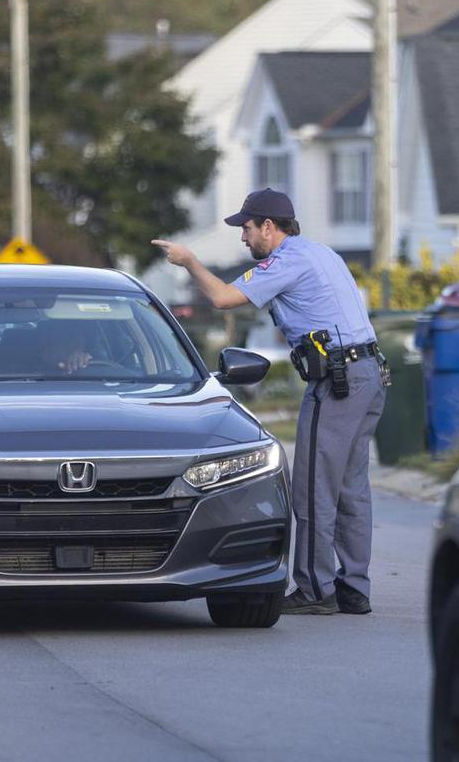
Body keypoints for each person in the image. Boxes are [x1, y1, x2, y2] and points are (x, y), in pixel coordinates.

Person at [152, 188, 386, 616]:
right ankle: (354, 587)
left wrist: (189, 261)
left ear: (269, 227)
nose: (243, 238)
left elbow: (223, 298)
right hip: (368, 374)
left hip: (337, 381)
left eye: (247, 228)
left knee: (314, 488)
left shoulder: (286, 262)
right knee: (351, 488)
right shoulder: (320, 253)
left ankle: (316, 589)